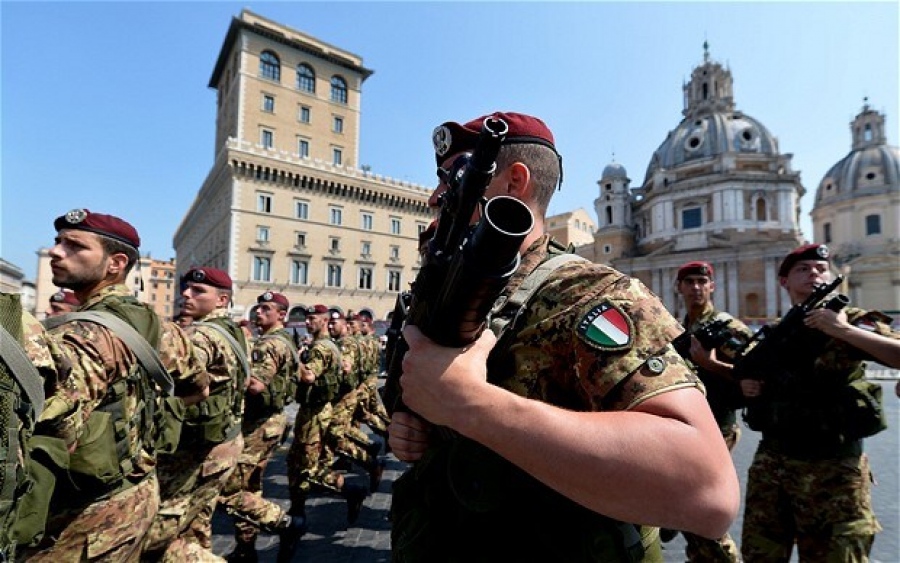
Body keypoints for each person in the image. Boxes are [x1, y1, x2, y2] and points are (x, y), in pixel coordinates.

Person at [387, 112, 740, 561]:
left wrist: (467, 404)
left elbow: (707, 492)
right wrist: (415, 425)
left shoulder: (587, 293)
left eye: (451, 177)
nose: (436, 196)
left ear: (514, 182)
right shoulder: (453, 291)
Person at [26, 208, 208, 562]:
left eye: (75, 245)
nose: (56, 252)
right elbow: (198, 388)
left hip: (86, 518)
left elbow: (55, 429)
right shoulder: (159, 325)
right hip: (139, 493)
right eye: (58, 241)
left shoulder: (83, 334)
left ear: (116, 263)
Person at [739, 243, 900, 562]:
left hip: (834, 469)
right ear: (784, 281)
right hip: (773, 465)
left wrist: (842, 330)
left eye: (821, 269)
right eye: (803, 269)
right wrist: (749, 385)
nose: (814, 274)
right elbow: (751, 376)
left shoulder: (850, 319)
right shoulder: (776, 333)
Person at [142, 266, 249, 560]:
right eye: (186, 288)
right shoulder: (233, 331)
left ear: (222, 300)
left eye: (199, 291)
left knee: (154, 537)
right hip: (224, 438)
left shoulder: (201, 336)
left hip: (199, 450)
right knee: (195, 527)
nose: (186, 294)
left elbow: (176, 375)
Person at [666, 260, 753, 561]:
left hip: (718, 426)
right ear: (679, 288)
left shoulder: (727, 327)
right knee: (691, 502)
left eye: (702, 282)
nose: (696, 288)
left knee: (699, 502)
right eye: (689, 282)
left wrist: (711, 365)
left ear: (712, 287)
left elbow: (755, 374)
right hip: (685, 428)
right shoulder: (679, 328)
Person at [220, 291, 306, 562]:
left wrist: (226, 372)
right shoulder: (286, 340)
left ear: (281, 315)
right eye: (258, 308)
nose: (259, 312)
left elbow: (256, 385)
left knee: (231, 490)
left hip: (260, 424)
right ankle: (246, 548)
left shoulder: (270, 344)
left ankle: (285, 524)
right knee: (249, 486)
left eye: (266, 309)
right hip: (268, 421)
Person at [285, 304, 368, 526]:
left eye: (313, 318)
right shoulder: (327, 345)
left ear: (323, 321)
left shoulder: (321, 347)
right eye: (307, 318)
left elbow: (309, 376)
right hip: (314, 409)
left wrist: (294, 359)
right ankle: (297, 509)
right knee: (295, 461)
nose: (307, 322)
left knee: (306, 465)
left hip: (315, 411)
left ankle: (350, 489)